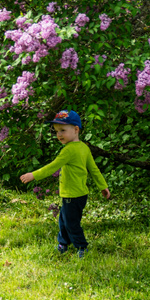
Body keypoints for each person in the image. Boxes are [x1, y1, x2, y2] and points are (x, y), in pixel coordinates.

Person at [20, 109, 110, 258]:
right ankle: (63, 243)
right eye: (56, 131)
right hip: (80, 194)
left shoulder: (68, 151)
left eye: (62, 130)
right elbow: (94, 170)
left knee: (70, 223)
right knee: (64, 219)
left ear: (76, 130)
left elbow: (52, 167)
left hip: (72, 195)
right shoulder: (84, 147)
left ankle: (82, 246)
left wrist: (33, 175)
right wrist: (103, 186)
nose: (59, 134)